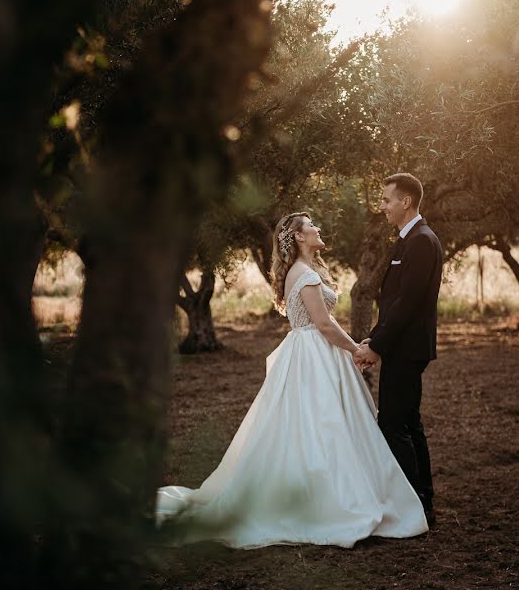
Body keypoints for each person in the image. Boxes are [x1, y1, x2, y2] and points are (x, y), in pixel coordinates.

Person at [155, 212, 428, 548]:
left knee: (321, 423)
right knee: (322, 424)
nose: (318, 228)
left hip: (317, 351)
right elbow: (324, 325)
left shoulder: (306, 270)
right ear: (299, 237)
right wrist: (358, 348)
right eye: (312, 225)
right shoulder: (303, 274)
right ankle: (326, 500)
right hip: (315, 352)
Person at [355, 173, 443, 527]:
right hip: (403, 344)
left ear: (405, 201)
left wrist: (377, 345)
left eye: (387, 201)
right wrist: (374, 337)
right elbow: (393, 303)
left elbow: (408, 303)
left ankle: (414, 505)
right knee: (408, 421)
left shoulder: (422, 241)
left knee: (393, 423)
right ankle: (423, 500)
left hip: (408, 347)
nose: (383, 207)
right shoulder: (409, 239)